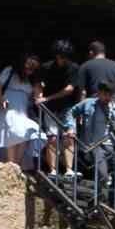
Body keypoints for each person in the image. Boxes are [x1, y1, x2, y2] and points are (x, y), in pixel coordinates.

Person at [64, 79, 115, 182]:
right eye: (105, 94)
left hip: (113, 146)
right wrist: (70, 128)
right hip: (95, 146)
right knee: (102, 174)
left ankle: (114, 190)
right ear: (99, 93)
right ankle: (102, 189)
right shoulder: (88, 104)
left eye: (110, 95)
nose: (107, 97)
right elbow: (71, 113)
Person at [36, 40, 80, 173]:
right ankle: (53, 170)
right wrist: (39, 97)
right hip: (50, 107)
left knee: (69, 136)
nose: (64, 59)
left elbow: (70, 89)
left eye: (66, 57)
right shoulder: (46, 67)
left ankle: (69, 170)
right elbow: (38, 84)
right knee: (52, 137)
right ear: (56, 56)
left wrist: (47, 98)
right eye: (61, 56)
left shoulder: (73, 68)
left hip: (68, 106)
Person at [0, 53, 42, 167]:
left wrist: (39, 91)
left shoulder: (33, 79)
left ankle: (16, 164)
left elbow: (37, 95)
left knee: (27, 132)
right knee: (12, 133)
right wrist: (1, 100)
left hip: (23, 109)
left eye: (33, 69)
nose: (30, 71)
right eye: (28, 67)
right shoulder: (10, 71)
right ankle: (11, 164)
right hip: (8, 106)